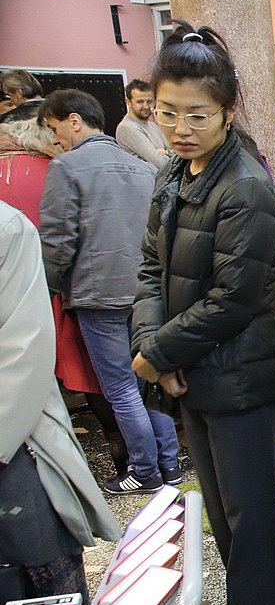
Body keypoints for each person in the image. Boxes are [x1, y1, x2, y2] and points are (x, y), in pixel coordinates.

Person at [132, 22, 275, 605]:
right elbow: (151, 268)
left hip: (241, 373)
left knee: (246, 515)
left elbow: (236, 297)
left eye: (197, 115)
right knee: (228, 513)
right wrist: (156, 348)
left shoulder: (245, 185)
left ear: (228, 111)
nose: (180, 128)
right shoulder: (173, 173)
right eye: (167, 112)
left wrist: (160, 352)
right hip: (192, 368)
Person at [37, 89, 182, 495]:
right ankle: (169, 465)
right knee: (148, 381)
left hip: (97, 293)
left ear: (74, 120)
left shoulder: (66, 167)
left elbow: (57, 240)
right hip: (145, 290)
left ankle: (145, 470)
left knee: (120, 388)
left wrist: (45, 290)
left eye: (54, 129)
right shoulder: (142, 168)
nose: (55, 140)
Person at [0, 200, 120, 601]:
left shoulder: (8, 228)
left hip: (14, 443)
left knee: (42, 600)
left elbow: (24, 352)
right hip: (102, 293)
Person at [116, 78, 170, 169]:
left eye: (149, 101)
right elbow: (161, 163)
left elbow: (178, 153)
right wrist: (167, 153)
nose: (146, 106)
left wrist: (167, 152)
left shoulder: (153, 126)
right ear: (128, 102)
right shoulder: (126, 128)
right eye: (140, 102)